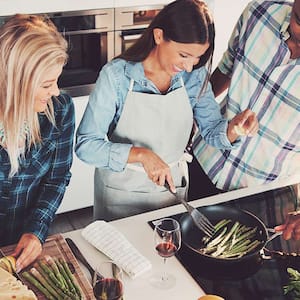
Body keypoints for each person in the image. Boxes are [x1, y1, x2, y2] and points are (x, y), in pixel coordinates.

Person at [75, 0, 258, 222]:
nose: (190, 66)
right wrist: (141, 155)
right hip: (120, 195)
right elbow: (86, 145)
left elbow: (211, 130)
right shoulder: (116, 77)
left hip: (171, 192)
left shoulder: (194, 76)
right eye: (183, 55)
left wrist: (234, 130)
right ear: (159, 36)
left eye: (198, 57)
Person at [191, 0, 300, 240]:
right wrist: (186, 114)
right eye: (299, 20)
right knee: (181, 262)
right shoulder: (259, 13)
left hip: (263, 194)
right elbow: (224, 71)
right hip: (205, 160)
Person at [0, 14, 75, 271]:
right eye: (46, 84)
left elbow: (57, 178)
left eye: (56, 80)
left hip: (26, 245)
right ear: (15, 83)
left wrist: (36, 230)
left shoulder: (61, 110)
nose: (55, 91)